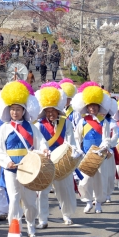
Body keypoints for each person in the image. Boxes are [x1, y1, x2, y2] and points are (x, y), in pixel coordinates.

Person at [0, 80, 49, 237]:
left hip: (29, 167)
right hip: (11, 168)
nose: (15, 113)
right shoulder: (4, 128)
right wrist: (7, 162)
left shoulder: (32, 127)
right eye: (12, 109)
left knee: (30, 200)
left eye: (18, 109)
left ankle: (31, 224)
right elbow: (0, 149)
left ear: (24, 110)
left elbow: (41, 142)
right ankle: (15, 227)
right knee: (14, 198)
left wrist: (44, 149)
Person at [34, 85, 80, 226]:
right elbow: (36, 145)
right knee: (42, 192)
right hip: (45, 162)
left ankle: (66, 215)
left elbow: (71, 142)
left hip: (62, 162)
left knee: (65, 190)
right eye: (47, 111)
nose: (50, 114)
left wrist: (72, 153)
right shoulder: (38, 125)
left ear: (57, 110)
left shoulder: (66, 123)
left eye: (53, 110)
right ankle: (43, 219)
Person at [72, 82, 112, 214]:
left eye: (95, 106)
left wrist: (103, 147)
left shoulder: (103, 121)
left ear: (98, 107)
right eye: (90, 106)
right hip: (85, 155)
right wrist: (79, 150)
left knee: (101, 179)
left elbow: (107, 137)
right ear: (87, 107)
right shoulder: (82, 121)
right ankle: (88, 201)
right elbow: (77, 137)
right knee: (85, 180)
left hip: (100, 155)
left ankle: (98, 203)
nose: (92, 108)